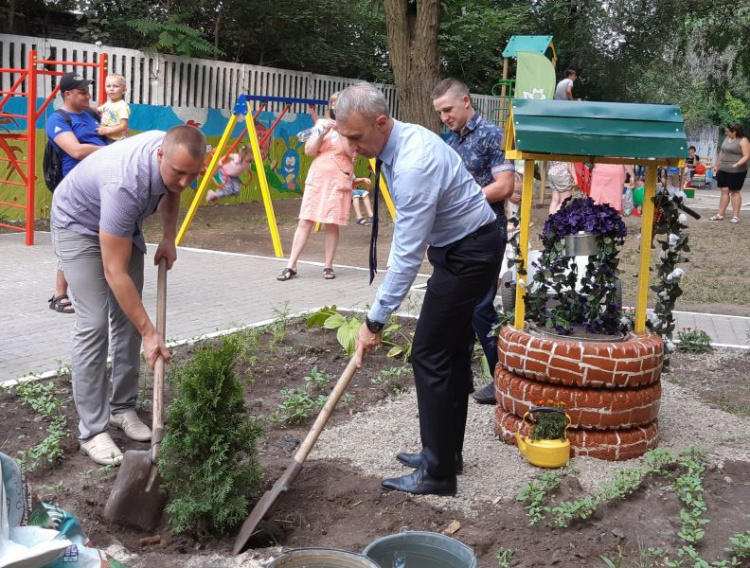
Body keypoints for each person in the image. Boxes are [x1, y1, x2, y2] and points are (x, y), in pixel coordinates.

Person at [338, 82, 503, 496]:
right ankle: (446, 455)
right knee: (448, 353)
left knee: (430, 353)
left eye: (357, 138)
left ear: (380, 122)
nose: (352, 148)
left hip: (471, 253)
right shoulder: (399, 140)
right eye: (346, 138)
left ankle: (437, 473)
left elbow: (406, 258)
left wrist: (373, 321)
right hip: (463, 249)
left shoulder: (413, 162)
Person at [50, 125, 206, 466]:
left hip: (121, 224)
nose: (184, 182)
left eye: (193, 175)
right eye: (179, 172)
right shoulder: (126, 182)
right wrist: (152, 334)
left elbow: (173, 189)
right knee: (94, 325)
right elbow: (114, 272)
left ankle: (122, 409)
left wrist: (168, 237)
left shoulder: (176, 152)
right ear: (160, 156)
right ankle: (92, 430)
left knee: (128, 321)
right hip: (77, 224)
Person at [431, 78, 514, 405]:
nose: (444, 117)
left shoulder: (492, 134)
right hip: (454, 236)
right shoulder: (448, 141)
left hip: (486, 233)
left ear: (466, 101)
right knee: (457, 307)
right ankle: (460, 377)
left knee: (480, 308)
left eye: (448, 109)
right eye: (439, 112)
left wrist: (460, 203)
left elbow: (504, 186)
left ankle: (502, 379)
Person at [276, 92, 366, 281]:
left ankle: (328, 266)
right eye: (333, 105)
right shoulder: (321, 125)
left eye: (340, 105)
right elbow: (309, 151)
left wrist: (342, 131)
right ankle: (291, 265)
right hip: (317, 179)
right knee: (305, 220)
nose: (336, 108)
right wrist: (322, 132)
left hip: (338, 180)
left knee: (331, 224)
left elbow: (351, 153)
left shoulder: (352, 129)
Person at [45, 72, 107, 314]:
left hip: (100, 185)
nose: (87, 95)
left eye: (87, 91)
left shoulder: (91, 114)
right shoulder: (58, 119)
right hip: (74, 192)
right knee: (74, 239)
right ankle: (59, 294)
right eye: (82, 92)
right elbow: (76, 150)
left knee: (102, 236)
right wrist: (106, 152)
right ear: (67, 94)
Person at [709, 123, 750, 224]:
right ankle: (720, 214)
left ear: (734, 132)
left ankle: (736, 216)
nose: (726, 133)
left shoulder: (743, 140)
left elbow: (746, 155)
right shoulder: (726, 139)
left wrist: (737, 164)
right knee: (724, 191)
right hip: (723, 169)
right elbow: (722, 153)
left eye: (728, 131)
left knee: (735, 192)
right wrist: (716, 166)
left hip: (737, 170)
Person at [96, 73, 130, 143]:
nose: (111, 89)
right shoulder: (108, 103)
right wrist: (86, 106)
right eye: (108, 86)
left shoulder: (122, 106)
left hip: (116, 140)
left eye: (115, 86)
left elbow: (123, 126)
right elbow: (97, 109)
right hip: (106, 136)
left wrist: (106, 130)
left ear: (123, 90)